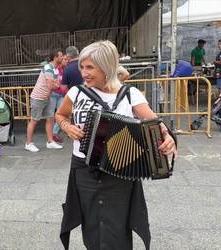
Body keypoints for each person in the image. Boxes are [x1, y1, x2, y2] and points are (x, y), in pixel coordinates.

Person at [55, 40, 177, 250]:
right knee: (91, 221)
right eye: (82, 67)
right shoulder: (76, 93)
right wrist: (67, 127)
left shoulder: (130, 95)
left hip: (119, 171)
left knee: (117, 224)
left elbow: (157, 126)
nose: (84, 73)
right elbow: (60, 115)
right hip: (84, 169)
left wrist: (168, 139)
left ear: (107, 67)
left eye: (90, 67)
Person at [25, 49, 64, 152]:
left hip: (47, 97)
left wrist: (56, 85)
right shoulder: (48, 68)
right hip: (39, 97)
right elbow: (51, 86)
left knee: (50, 118)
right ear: (55, 57)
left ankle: (50, 142)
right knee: (34, 120)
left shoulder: (55, 69)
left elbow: (54, 85)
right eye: (61, 56)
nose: (62, 57)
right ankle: (28, 143)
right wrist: (57, 85)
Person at [50, 54, 70, 143]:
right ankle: (51, 135)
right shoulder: (55, 69)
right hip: (54, 94)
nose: (66, 61)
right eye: (64, 59)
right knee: (50, 115)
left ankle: (54, 133)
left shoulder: (65, 70)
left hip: (61, 95)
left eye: (66, 59)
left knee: (61, 113)